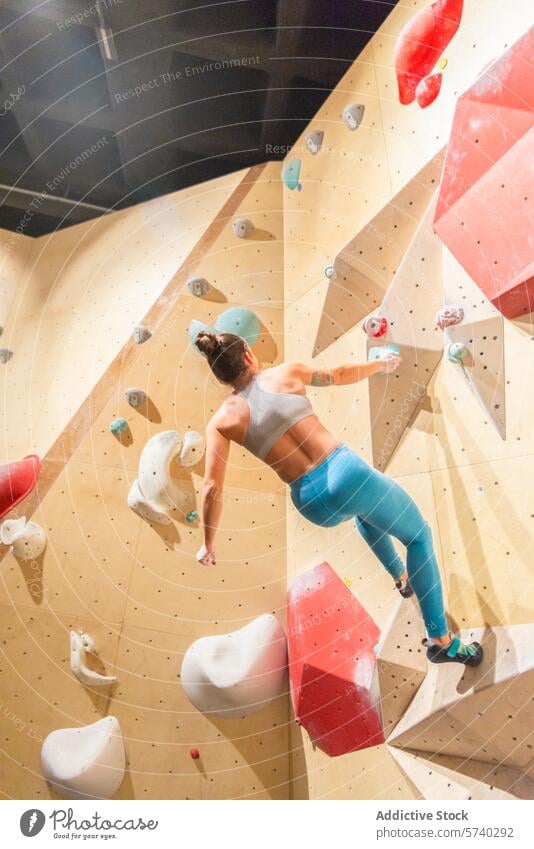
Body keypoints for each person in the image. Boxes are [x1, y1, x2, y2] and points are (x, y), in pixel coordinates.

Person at [194, 330, 483, 667]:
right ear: (247, 356)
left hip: (310, 503)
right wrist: (379, 365)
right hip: (344, 474)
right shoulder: (283, 373)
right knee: (418, 536)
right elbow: (338, 374)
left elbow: (212, 488)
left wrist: (207, 542)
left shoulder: (222, 422)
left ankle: (402, 578)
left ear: (220, 376)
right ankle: (442, 641)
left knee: (365, 511)